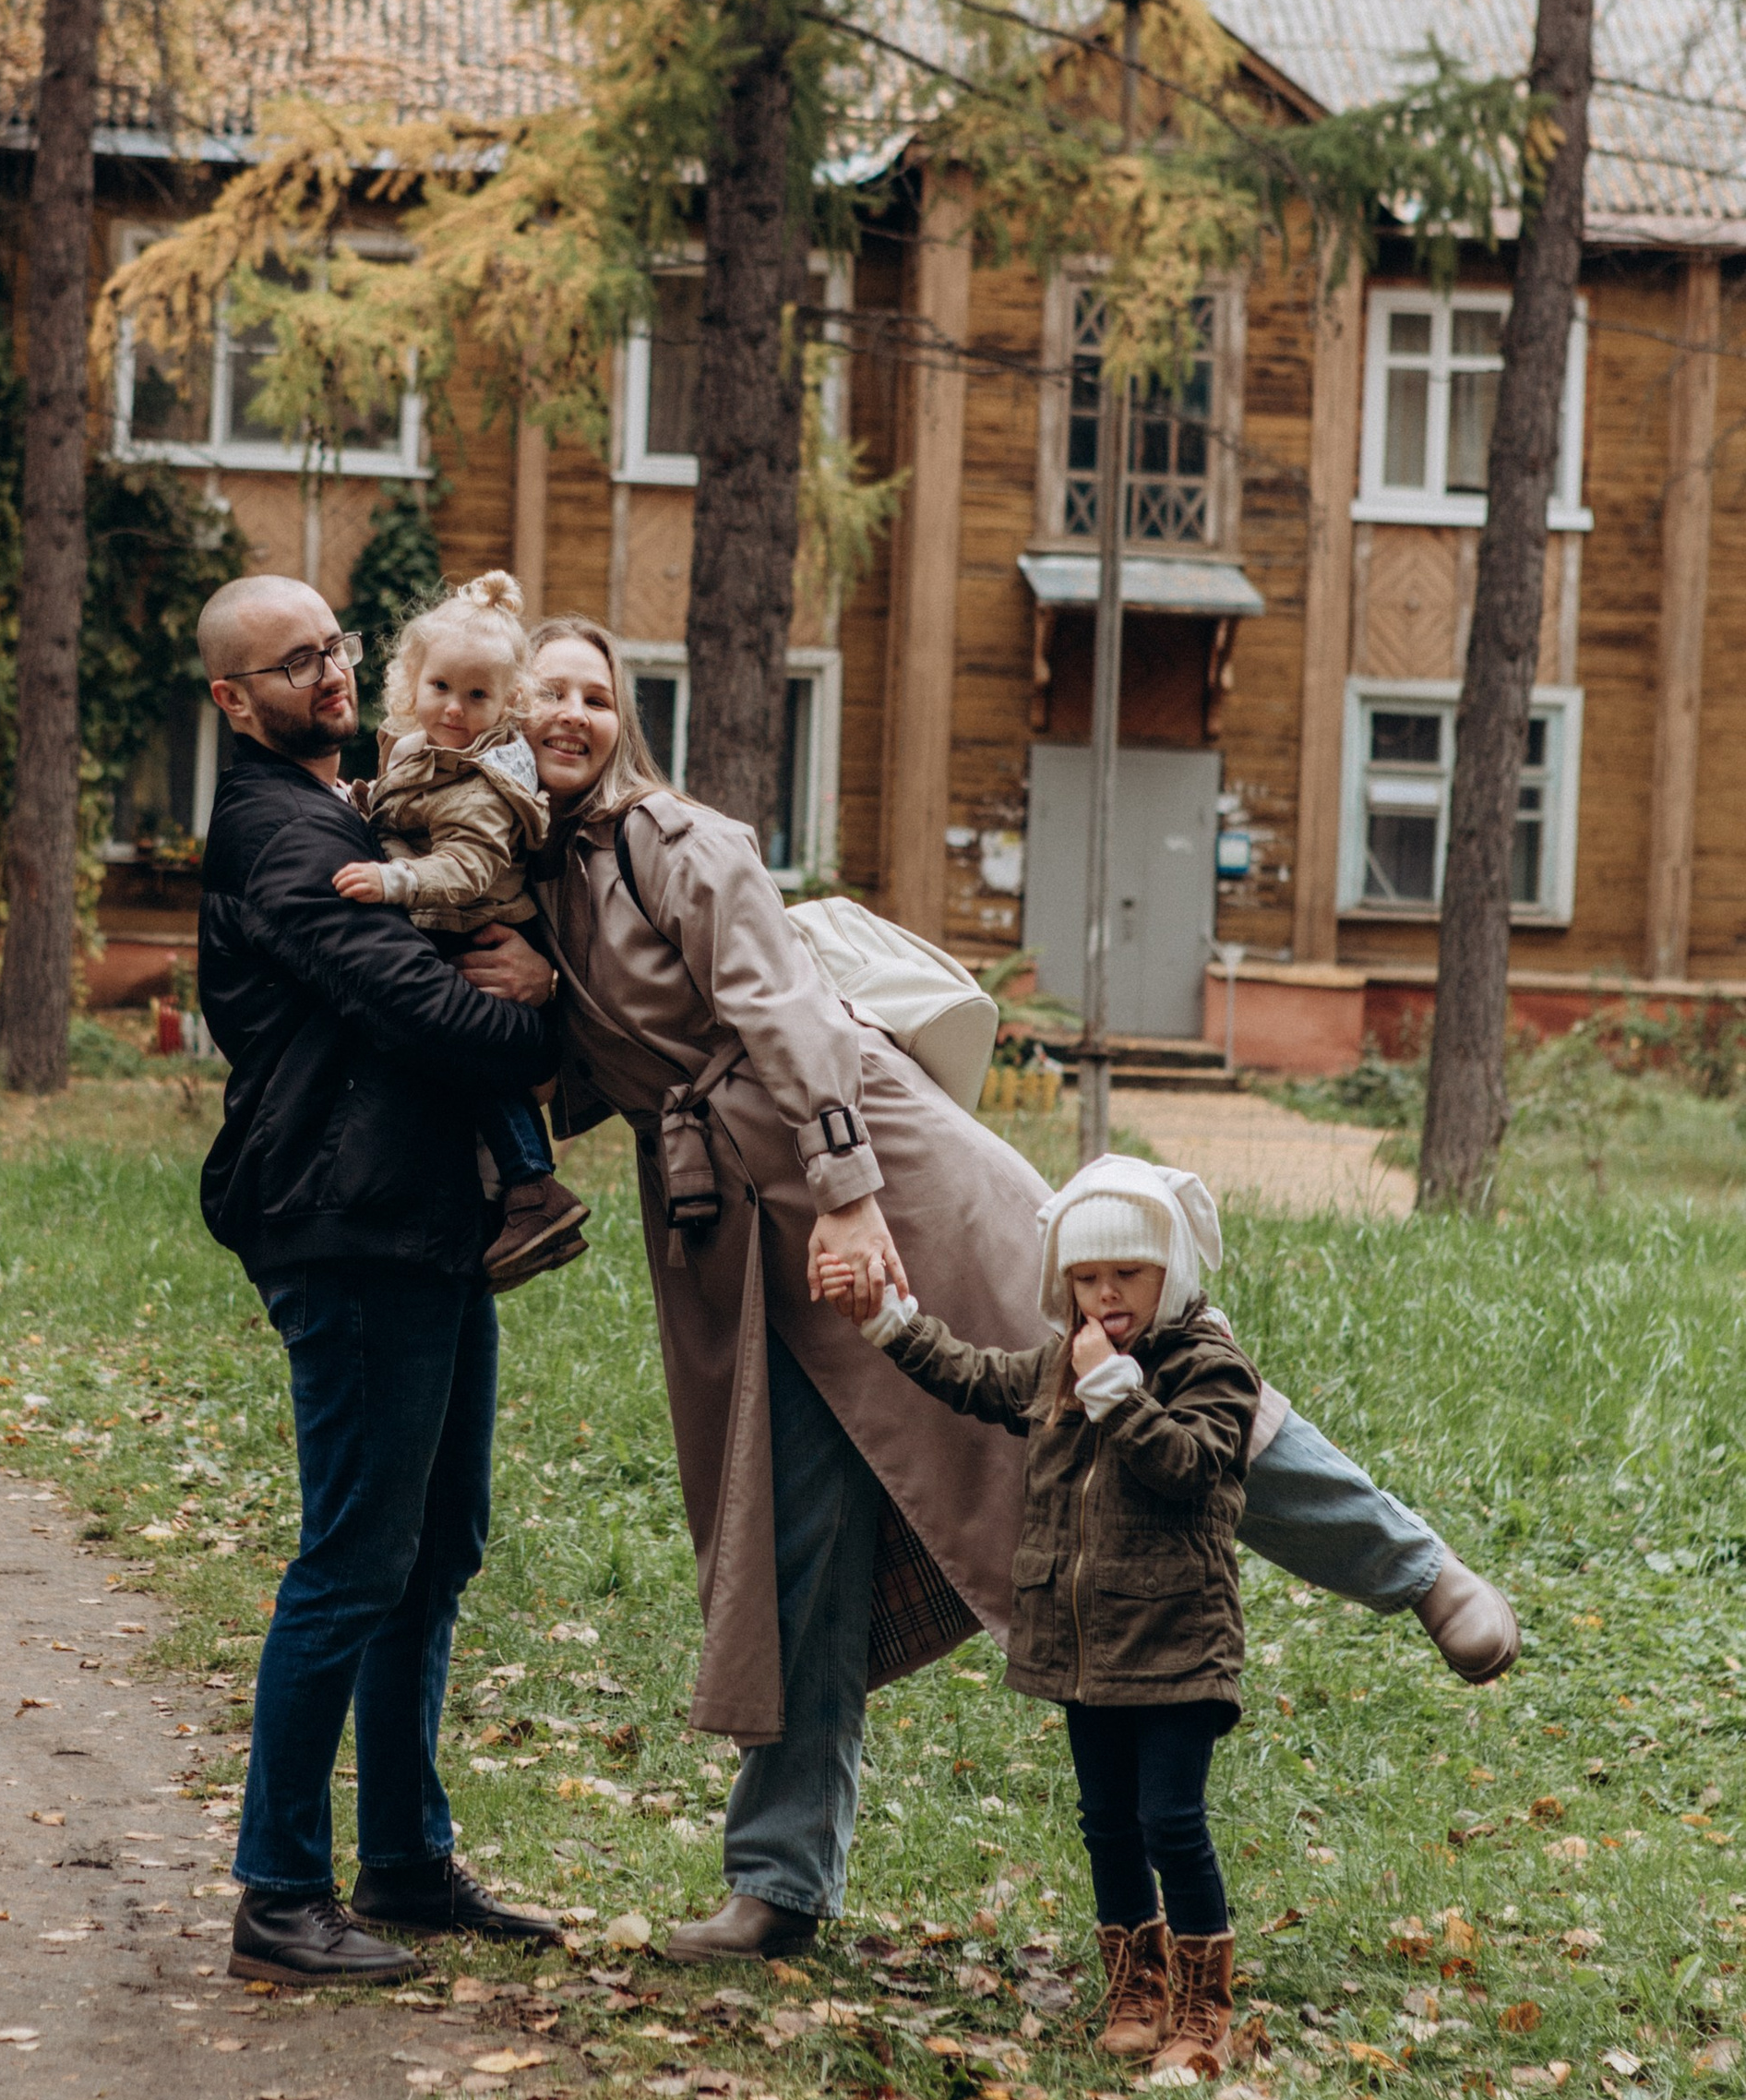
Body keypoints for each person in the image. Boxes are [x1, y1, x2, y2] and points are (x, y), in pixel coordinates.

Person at [455, 617, 1516, 1965]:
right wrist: (548, 1006)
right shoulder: (525, 881)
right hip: (736, 1240)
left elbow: (782, 1008)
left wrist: (845, 1188)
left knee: (1130, 1370)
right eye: (542, 694)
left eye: (595, 694)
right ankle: (779, 1882)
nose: (570, 714)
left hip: (875, 1160)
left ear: (623, 721)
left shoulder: (677, 839)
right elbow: (613, 1071)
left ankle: (1418, 1571)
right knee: (798, 1540)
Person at [196, 571, 567, 1984]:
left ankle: (405, 1860)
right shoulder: (280, 834)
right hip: (342, 1222)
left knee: (436, 1548)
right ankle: (279, 1892)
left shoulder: (364, 802)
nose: (331, 675)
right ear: (236, 699)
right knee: (354, 1559)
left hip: (423, 1221)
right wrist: (538, 1009)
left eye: (337, 647)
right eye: (296, 663)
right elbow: (411, 1003)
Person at [828, 1154, 1259, 2076]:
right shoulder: (1065, 1361)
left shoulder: (1210, 1368)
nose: (1104, 1294)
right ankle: (1135, 1987)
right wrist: (888, 1323)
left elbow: (1187, 1465)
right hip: (1086, 1648)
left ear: (1169, 1272)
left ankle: (1200, 2011)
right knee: (1105, 1821)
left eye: (1126, 1275)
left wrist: (1114, 1392)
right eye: (1086, 1276)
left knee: (1168, 1821)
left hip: (1177, 1643)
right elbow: (978, 1379)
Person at [330, 568, 590, 1290]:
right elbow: (399, 802)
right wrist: (355, 800)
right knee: (458, 1059)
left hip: (474, 925)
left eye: (477, 696)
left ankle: (532, 1188)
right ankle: (511, 1195)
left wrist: (395, 880)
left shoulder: (484, 784)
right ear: (412, 683)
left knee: (474, 1053)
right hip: (444, 922)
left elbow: (469, 870)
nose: (453, 708)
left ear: (508, 704)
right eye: (441, 687)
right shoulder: (417, 748)